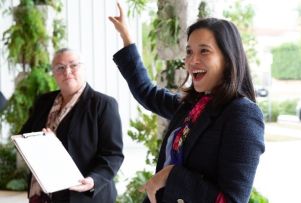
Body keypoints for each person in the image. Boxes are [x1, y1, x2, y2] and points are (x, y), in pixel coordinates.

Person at [109, 3, 265, 203]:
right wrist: (127, 38)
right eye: (189, 51)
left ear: (228, 59)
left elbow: (231, 200)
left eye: (204, 51)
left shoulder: (242, 114)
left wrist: (171, 176)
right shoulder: (193, 105)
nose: (192, 61)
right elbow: (147, 93)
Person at [20, 48, 124, 203]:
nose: (67, 71)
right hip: (42, 194)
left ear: (83, 68)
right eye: (60, 68)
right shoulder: (44, 101)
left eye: (73, 65)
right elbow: (24, 136)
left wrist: (93, 180)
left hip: (83, 196)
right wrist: (40, 140)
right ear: (54, 73)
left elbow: (113, 154)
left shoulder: (103, 105)